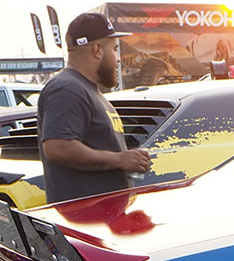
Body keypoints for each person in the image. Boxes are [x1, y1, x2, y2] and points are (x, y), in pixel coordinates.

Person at [38, 12, 150, 203]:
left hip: (102, 222)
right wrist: (119, 159)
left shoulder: (86, 90)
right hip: (84, 223)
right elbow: (58, 147)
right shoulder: (67, 89)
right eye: (115, 49)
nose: (118, 59)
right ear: (97, 50)